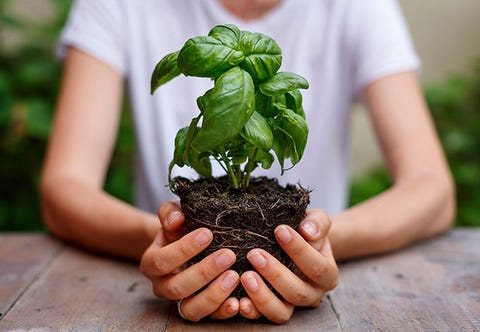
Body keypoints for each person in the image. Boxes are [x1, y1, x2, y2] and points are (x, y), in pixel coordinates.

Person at [40, 0, 455, 324]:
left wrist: (314, 247)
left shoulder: (358, 6)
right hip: (163, 275)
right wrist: (167, 242)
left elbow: (432, 190)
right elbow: (63, 188)